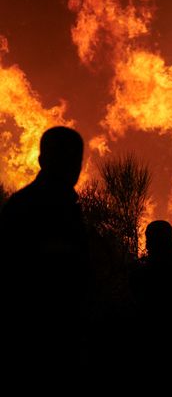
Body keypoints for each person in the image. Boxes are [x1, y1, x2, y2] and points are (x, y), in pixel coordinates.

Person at [0, 126, 90, 368]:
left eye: (75, 159)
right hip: (34, 335)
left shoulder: (69, 207)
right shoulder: (25, 206)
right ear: (42, 160)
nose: (71, 166)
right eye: (62, 157)